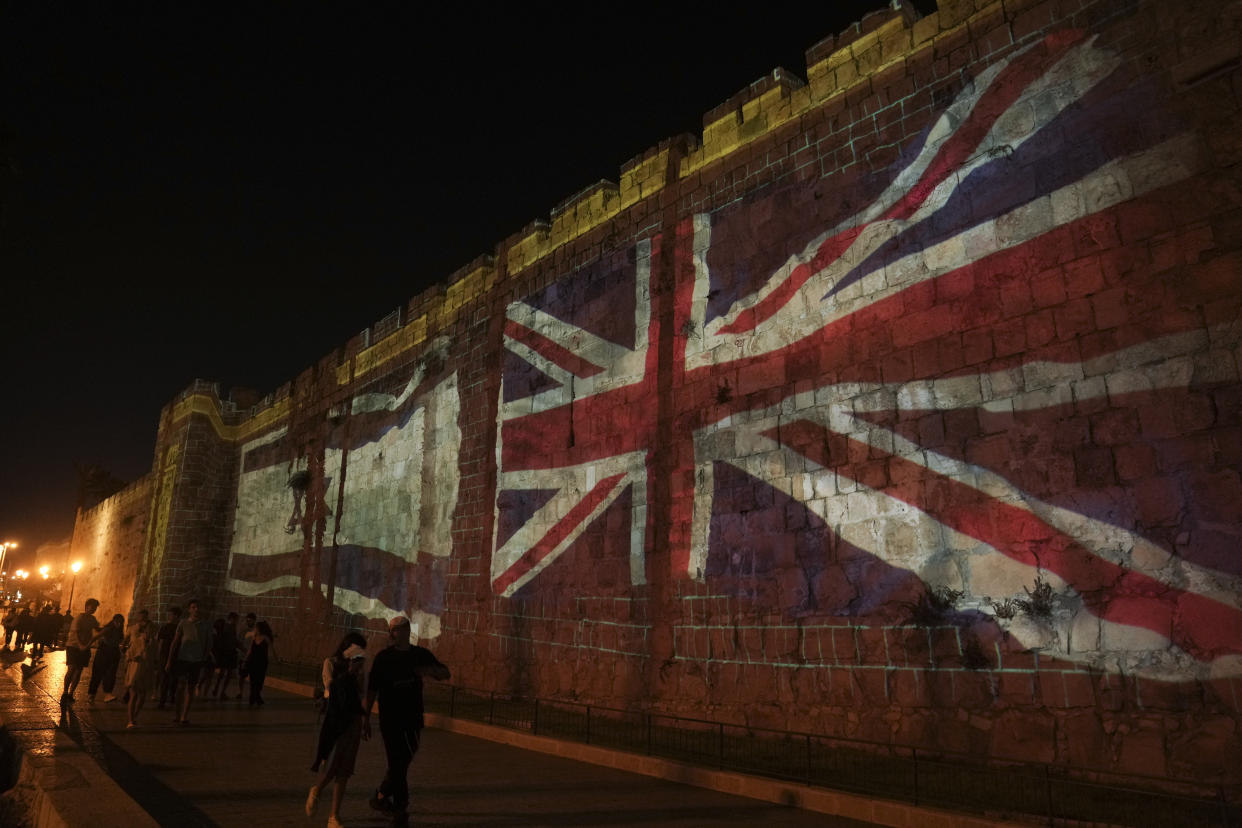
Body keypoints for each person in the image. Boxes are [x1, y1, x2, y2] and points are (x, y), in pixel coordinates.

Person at [364, 616, 450, 822]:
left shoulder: (419, 654)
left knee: (403, 761)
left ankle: (381, 796)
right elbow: (372, 689)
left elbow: (445, 673)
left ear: (407, 630)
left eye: (400, 629)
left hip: (412, 719)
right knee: (396, 762)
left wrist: (429, 671)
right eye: (394, 630)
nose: (397, 633)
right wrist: (364, 717)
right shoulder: (383, 658)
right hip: (390, 719)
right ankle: (400, 808)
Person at [306, 632, 368, 828]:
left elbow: (362, 695)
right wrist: (349, 673)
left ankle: (334, 816)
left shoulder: (361, 671)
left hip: (354, 722)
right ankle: (317, 789)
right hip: (336, 721)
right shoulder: (331, 663)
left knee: (345, 770)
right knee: (332, 765)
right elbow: (331, 690)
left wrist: (365, 720)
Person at [166, 599, 214, 725]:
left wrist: (204, 657)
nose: (196, 609)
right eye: (193, 607)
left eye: (197, 607)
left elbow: (209, 643)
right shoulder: (183, 623)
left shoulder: (206, 625)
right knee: (180, 687)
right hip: (183, 659)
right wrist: (169, 660)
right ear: (189, 609)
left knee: (190, 688)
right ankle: (177, 714)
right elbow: (175, 642)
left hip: (196, 661)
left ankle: (184, 716)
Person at [61, 598, 103, 706]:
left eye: (95, 607)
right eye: (92, 607)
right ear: (87, 606)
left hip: (84, 647)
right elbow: (75, 633)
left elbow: (97, 629)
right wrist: (80, 645)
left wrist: (108, 628)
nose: (93, 609)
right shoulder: (79, 618)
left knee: (79, 670)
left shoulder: (92, 619)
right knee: (71, 669)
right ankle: (65, 692)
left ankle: (71, 693)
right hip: (73, 646)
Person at [123, 609, 158, 728]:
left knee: (142, 694)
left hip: (146, 666)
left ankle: (134, 716)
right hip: (135, 666)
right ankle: (130, 720)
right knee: (134, 693)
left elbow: (153, 652)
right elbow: (127, 647)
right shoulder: (134, 632)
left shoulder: (152, 640)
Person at [88, 613, 125, 702]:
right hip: (103, 652)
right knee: (98, 673)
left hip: (114, 653)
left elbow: (119, 642)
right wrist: (86, 646)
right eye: (117, 622)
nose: (119, 624)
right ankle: (91, 695)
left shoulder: (120, 631)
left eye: (121, 623)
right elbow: (95, 637)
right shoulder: (108, 629)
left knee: (111, 674)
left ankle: (108, 694)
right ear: (114, 621)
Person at [241, 620, 274, 706]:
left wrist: (276, 659)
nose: (255, 629)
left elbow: (272, 649)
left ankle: (256, 696)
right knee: (253, 680)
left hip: (262, 662)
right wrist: (245, 660)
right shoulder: (254, 637)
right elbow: (250, 650)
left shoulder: (265, 638)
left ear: (260, 629)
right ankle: (253, 697)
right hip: (253, 661)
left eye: (256, 628)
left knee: (259, 680)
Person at [155, 605, 181, 709]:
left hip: (176, 656)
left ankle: (170, 697)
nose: (169, 616)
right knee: (165, 678)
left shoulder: (180, 627)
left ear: (176, 616)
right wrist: (158, 656)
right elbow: (161, 642)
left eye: (171, 614)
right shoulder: (165, 627)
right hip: (165, 655)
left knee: (173, 678)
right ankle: (163, 699)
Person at [210, 613, 239, 699]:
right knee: (228, 673)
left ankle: (217, 689)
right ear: (232, 619)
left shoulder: (226, 627)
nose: (237, 621)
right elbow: (233, 640)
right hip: (229, 652)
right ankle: (222, 692)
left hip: (225, 652)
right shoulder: (230, 627)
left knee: (222, 673)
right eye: (236, 619)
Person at [235, 611, 257, 699]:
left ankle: (253, 693)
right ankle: (240, 692)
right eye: (247, 620)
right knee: (241, 676)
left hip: (253, 658)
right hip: (243, 657)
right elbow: (239, 643)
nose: (248, 622)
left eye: (250, 620)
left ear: (254, 621)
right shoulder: (243, 631)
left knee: (253, 677)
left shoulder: (257, 632)